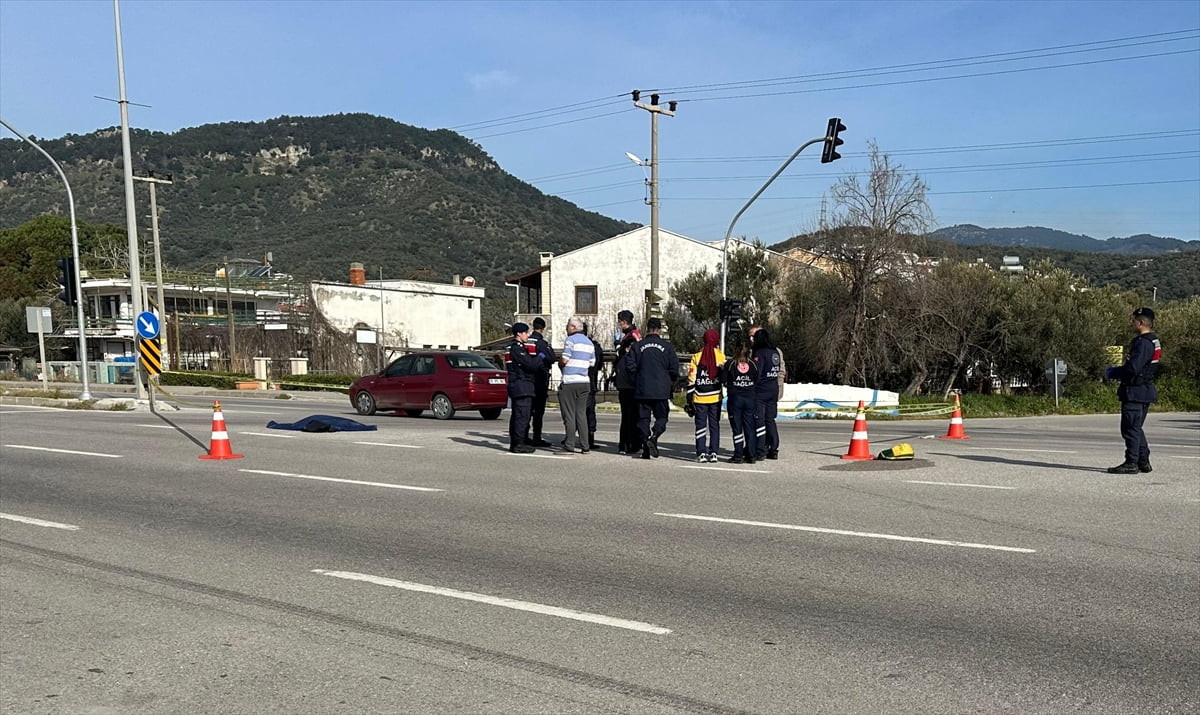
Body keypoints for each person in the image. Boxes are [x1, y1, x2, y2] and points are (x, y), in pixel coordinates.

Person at [1106, 307, 1162, 474]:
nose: (1131, 323)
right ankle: (1142, 461)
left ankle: (1132, 462)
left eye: (1133, 321)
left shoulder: (1143, 343)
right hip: (1143, 390)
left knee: (1130, 428)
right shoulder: (1152, 341)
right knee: (1136, 427)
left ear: (1141, 322)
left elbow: (1133, 368)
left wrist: (1112, 372)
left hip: (1136, 391)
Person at [624, 316, 679, 459]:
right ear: (659, 330)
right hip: (661, 389)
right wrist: (669, 381)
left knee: (643, 419)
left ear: (647, 329)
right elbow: (674, 369)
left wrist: (636, 379)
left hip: (642, 389)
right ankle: (654, 436)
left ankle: (646, 444)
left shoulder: (638, 346)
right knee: (662, 417)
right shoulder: (667, 347)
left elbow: (629, 366)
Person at [686, 328, 725, 463]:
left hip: (700, 397)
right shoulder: (720, 356)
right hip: (715, 397)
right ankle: (714, 452)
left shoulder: (696, 357)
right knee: (714, 425)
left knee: (700, 425)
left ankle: (701, 452)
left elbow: (692, 378)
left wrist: (689, 396)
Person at [558, 316, 596, 453]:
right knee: (581, 415)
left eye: (568, 325)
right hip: (584, 381)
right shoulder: (589, 343)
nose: (566, 328)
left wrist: (560, 363)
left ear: (573, 327)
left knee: (569, 415)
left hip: (570, 381)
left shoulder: (570, 340)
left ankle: (569, 444)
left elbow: (564, 359)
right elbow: (592, 362)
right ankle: (585, 446)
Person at [506, 323, 543, 454]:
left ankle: (519, 441)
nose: (528, 335)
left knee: (520, 415)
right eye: (526, 333)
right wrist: (540, 357)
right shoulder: (516, 349)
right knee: (522, 416)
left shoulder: (519, 348)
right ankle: (518, 443)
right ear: (519, 334)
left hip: (523, 386)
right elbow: (530, 365)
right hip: (521, 386)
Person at [750, 326, 785, 460]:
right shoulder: (775, 352)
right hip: (773, 388)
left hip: (761, 390)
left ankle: (761, 448)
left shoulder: (760, 352)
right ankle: (774, 447)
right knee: (770, 419)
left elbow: (757, 372)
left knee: (759, 420)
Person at [723, 343, 760, 464]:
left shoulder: (731, 364)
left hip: (735, 399)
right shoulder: (753, 364)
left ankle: (738, 455)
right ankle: (752, 455)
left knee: (737, 428)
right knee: (750, 427)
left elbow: (723, 380)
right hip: (750, 398)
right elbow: (757, 379)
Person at [612, 309, 643, 455]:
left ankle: (628, 443)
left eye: (620, 321)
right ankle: (630, 443)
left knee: (630, 414)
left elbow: (628, 356)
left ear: (624, 321)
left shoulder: (632, 336)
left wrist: (619, 347)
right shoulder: (631, 335)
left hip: (629, 381)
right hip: (627, 380)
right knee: (630, 414)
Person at [525, 316, 556, 448]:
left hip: (527, 378)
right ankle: (537, 437)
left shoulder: (525, 341)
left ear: (533, 326)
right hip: (539, 378)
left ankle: (524, 436)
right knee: (538, 411)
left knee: (526, 410)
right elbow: (552, 358)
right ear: (543, 328)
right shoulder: (541, 343)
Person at [583, 322, 606, 450]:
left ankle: (577, 436)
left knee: (578, 410)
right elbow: (599, 365)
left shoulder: (575, 344)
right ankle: (589, 437)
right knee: (589, 411)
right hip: (591, 382)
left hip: (583, 381)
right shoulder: (595, 346)